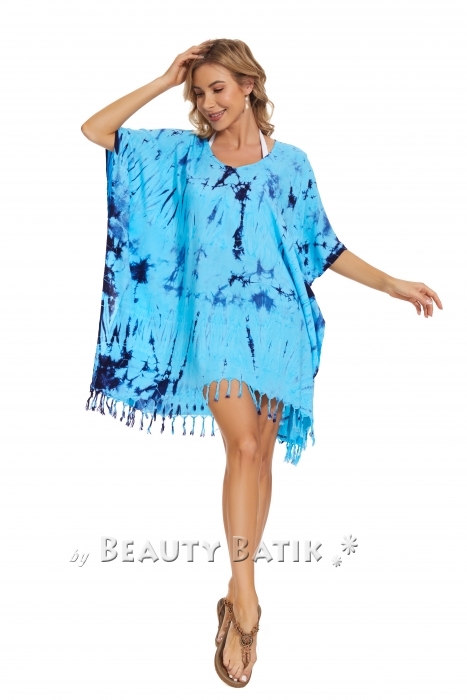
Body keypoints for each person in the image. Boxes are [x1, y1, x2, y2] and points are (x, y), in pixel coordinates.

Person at [81, 38, 442, 688]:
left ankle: (235, 591)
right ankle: (245, 599)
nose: (207, 103)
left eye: (217, 89)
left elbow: (324, 247)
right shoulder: (184, 156)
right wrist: (164, 79)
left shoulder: (292, 163)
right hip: (214, 325)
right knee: (242, 446)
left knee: (260, 458)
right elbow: (96, 130)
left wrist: (392, 285)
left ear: (248, 85)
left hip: (281, 328)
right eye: (199, 93)